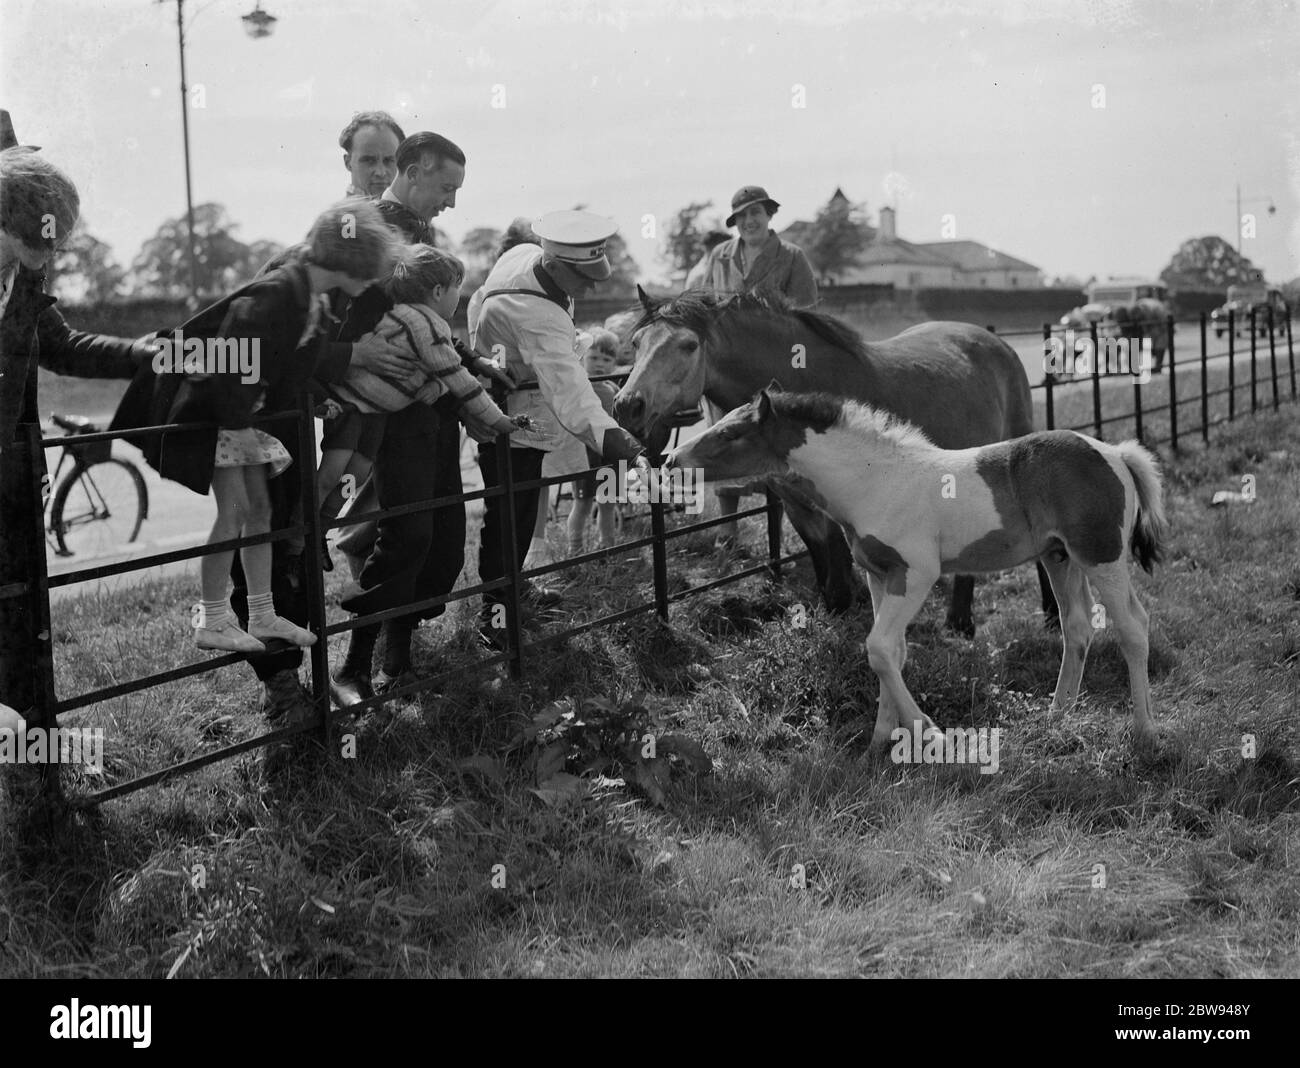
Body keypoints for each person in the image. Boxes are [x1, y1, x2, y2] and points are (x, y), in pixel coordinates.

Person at [111, 202, 399, 655]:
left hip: (239, 416)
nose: (374, 280)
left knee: (258, 511)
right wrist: (238, 424)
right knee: (236, 513)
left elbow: (289, 367)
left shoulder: (313, 302)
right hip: (217, 412)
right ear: (352, 260)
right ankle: (212, 619)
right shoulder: (279, 291)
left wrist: (318, 398)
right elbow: (231, 357)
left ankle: (263, 615)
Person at [328, 131, 515, 705]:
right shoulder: (372, 229)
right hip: (387, 416)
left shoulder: (420, 234)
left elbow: (432, 325)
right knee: (404, 532)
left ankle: (397, 658)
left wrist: (473, 361)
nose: (452, 202)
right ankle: (355, 667)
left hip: (428, 408)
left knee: (437, 538)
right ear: (411, 172)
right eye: (445, 186)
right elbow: (359, 320)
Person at [0, 123, 157, 723]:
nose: (54, 253)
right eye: (42, 238)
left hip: (16, 464)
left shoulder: (29, 270)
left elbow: (61, 345)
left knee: (24, 612)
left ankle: (34, 742)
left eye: (59, 239)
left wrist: (143, 352)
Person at [469, 209, 645, 650]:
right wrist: (620, 442)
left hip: (525, 406)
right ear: (552, 265)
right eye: (582, 277)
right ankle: (495, 615)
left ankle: (517, 589)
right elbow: (572, 394)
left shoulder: (528, 255)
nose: (590, 287)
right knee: (507, 516)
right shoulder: (535, 314)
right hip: (508, 419)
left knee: (522, 510)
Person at [317, 244, 539, 569]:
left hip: (374, 410)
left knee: (356, 473)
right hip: (353, 402)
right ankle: (303, 534)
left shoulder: (418, 318)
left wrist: (438, 384)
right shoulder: (425, 324)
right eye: (456, 290)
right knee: (333, 474)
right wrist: (500, 420)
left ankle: (319, 529)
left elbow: (434, 371)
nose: (459, 299)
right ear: (437, 290)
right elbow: (457, 376)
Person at [697, 185, 818, 547]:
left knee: (774, 447)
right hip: (727, 369)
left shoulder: (792, 257)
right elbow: (703, 307)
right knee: (723, 440)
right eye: (742, 216)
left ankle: (779, 535)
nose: (750, 221)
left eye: (756, 213)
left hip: (773, 370)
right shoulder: (720, 256)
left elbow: (808, 318)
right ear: (735, 222)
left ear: (769, 215)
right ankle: (727, 530)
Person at [566, 329, 623, 554]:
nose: (600, 364)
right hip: (586, 453)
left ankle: (607, 545)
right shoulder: (579, 386)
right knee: (583, 503)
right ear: (582, 358)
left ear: (614, 363)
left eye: (607, 359)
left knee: (607, 502)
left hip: (609, 452)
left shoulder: (614, 389)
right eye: (594, 358)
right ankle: (575, 549)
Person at [339, 111, 405, 198]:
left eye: (389, 161)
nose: (381, 172)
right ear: (348, 162)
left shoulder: (409, 209)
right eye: (369, 161)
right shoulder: (344, 212)